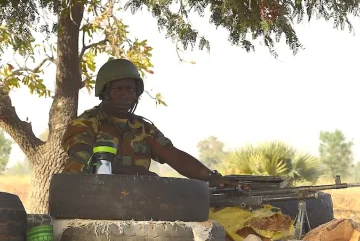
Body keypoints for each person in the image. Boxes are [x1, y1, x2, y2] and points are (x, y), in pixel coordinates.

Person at [61, 58, 235, 187]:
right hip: (87, 201)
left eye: (130, 89)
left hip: (131, 202)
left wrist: (211, 177)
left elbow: (174, 156)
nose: (125, 95)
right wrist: (137, 173)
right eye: (117, 89)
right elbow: (83, 161)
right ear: (104, 92)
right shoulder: (85, 124)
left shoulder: (142, 128)